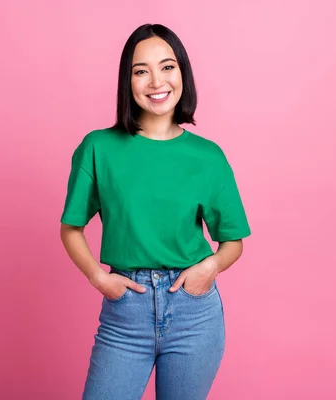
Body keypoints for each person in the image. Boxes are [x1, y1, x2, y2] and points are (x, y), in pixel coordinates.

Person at [59, 23, 251, 400]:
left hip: (194, 313)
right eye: (140, 70)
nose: (155, 81)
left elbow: (233, 241)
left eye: (167, 67)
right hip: (125, 312)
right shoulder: (99, 148)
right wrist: (99, 278)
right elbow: (71, 228)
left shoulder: (208, 157)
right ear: (127, 82)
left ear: (182, 74)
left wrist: (209, 267)